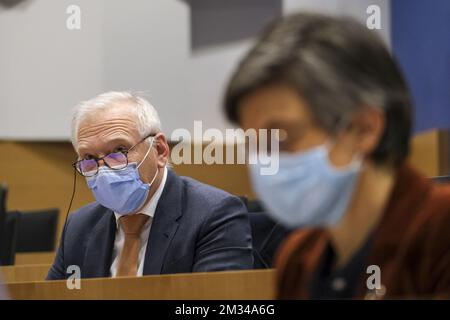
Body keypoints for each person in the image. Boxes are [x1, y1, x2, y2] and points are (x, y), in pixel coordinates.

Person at [223, 13, 450, 299]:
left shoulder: (440, 232)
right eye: (255, 144)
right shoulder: (297, 258)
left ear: (365, 128)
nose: (265, 162)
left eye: (281, 138)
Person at [47, 91, 253, 279]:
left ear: (160, 150)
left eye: (119, 150)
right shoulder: (79, 226)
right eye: (89, 157)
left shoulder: (215, 214)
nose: (103, 169)